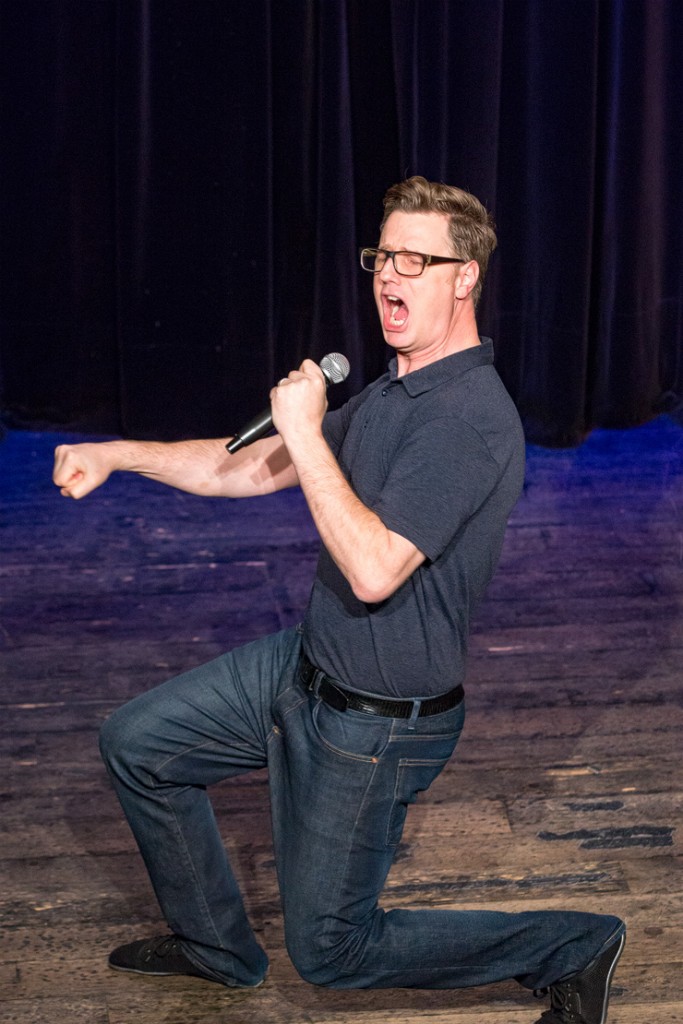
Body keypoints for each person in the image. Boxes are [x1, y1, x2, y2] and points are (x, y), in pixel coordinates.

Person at [52, 177, 625, 1023]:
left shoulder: (466, 420)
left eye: (415, 260)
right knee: (138, 744)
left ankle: (571, 945)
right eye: (382, 256)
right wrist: (117, 453)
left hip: (377, 723)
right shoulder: (396, 390)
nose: (389, 274)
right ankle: (215, 947)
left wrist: (306, 430)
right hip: (304, 666)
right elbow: (248, 468)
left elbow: (373, 570)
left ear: (464, 277)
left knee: (332, 952)